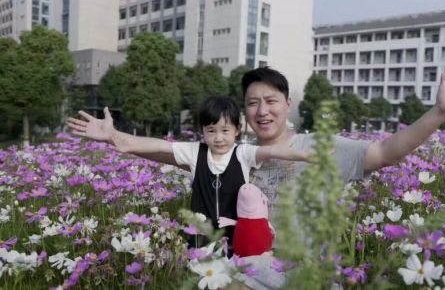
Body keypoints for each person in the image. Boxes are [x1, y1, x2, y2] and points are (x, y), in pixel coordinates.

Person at [67, 96, 310, 255]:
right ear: (202, 131)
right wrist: (114, 136)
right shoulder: (195, 152)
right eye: (211, 130)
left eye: (225, 130)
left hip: (236, 237)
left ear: (237, 130)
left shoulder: (244, 153)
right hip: (199, 238)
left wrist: (306, 155)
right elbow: (158, 145)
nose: (218, 137)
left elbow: (273, 150)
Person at [241, 67, 445, 213]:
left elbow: (386, 152)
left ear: (287, 105)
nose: (262, 112)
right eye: (253, 103)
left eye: (271, 101)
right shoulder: (236, 154)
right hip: (242, 262)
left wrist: (440, 112)